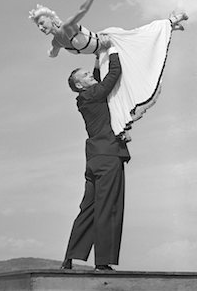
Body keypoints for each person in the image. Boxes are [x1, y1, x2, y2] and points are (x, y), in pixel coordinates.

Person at [29, 0, 188, 140]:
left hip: (109, 40)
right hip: (102, 53)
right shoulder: (57, 42)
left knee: (140, 38)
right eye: (37, 25)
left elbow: (82, 10)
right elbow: (53, 53)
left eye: (42, 22)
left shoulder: (67, 26)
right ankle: (123, 128)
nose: (40, 27)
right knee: (115, 94)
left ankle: (171, 22)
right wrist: (51, 53)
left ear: (51, 19)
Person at [61, 43, 130, 271]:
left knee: (89, 208)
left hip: (94, 159)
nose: (90, 75)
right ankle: (102, 263)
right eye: (85, 75)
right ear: (79, 84)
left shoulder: (86, 98)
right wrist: (114, 50)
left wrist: (98, 54)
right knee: (108, 207)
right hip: (108, 156)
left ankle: (69, 258)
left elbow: (100, 75)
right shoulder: (92, 94)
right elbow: (113, 74)